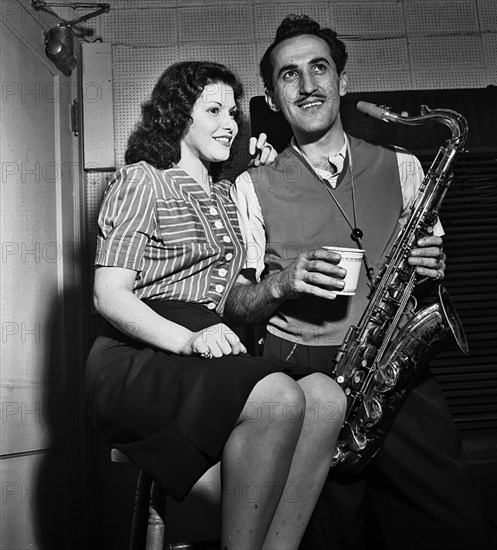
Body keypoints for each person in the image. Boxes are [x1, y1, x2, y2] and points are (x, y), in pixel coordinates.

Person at [225, 15, 492, 550]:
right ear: (273, 100)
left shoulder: (405, 165)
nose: (307, 85)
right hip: (304, 379)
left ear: (342, 82)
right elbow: (234, 301)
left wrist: (434, 265)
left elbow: (427, 265)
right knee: (328, 538)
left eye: (319, 68)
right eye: (289, 75)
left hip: (394, 364)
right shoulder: (250, 186)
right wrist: (282, 285)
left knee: (452, 528)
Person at [84, 60, 348, 550]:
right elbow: (109, 295)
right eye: (213, 110)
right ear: (176, 115)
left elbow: (234, 300)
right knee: (278, 398)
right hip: (141, 351)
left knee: (328, 399)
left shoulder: (227, 196)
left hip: (211, 344)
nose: (229, 122)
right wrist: (188, 339)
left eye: (232, 112)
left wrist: (268, 180)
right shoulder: (142, 180)